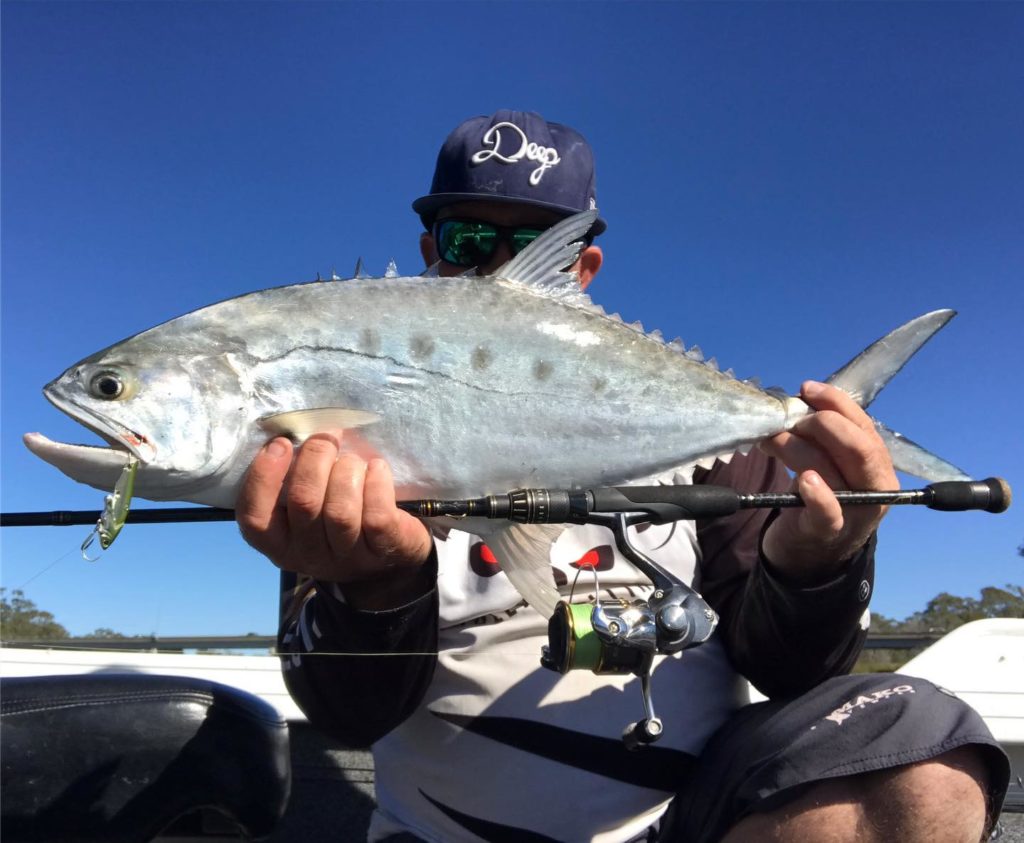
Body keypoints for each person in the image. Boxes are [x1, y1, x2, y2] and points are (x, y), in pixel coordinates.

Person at [236, 110, 1009, 842]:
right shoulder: (345, 453)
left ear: (582, 265)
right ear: (431, 248)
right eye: (467, 237)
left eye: (538, 243)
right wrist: (373, 586)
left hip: (679, 827)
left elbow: (792, 671)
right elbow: (347, 718)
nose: (494, 268)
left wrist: (817, 565)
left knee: (923, 749)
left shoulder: (725, 455)